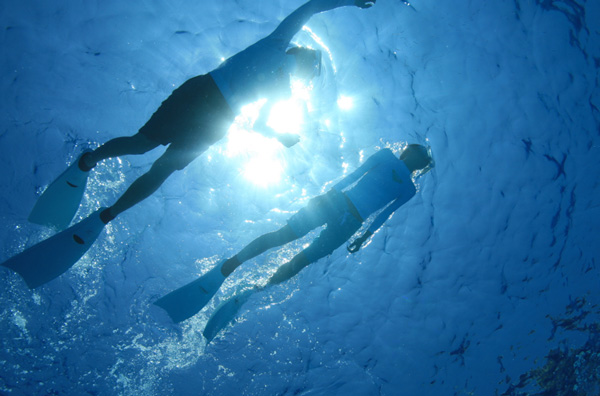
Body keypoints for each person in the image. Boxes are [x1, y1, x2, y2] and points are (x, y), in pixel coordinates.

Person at [2, 0, 376, 290]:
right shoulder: (279, 42)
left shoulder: (284, 90)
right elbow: (310, 6)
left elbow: (261, 122)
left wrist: (280, 136)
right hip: (202, 92)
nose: (306, 76)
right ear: (304, 57)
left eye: (310, 76)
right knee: (143, 144)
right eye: (310, 69)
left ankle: (109, 213)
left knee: (162, 171)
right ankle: (90, 161)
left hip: (219, 123)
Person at [153, 144, 434, 341]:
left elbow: (385, 213)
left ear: (417, 161)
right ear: (409, 152)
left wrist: (362, 236)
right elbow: (357, 175)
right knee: (284, 237)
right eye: (416, 151)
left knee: (300, 260)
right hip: (341, 206)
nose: (415, 155)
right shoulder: (390, 161)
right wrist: (332, 196)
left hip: (347, 218)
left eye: (419, 155)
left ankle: (256, 288)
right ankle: (231, 265)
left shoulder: (408, 187)